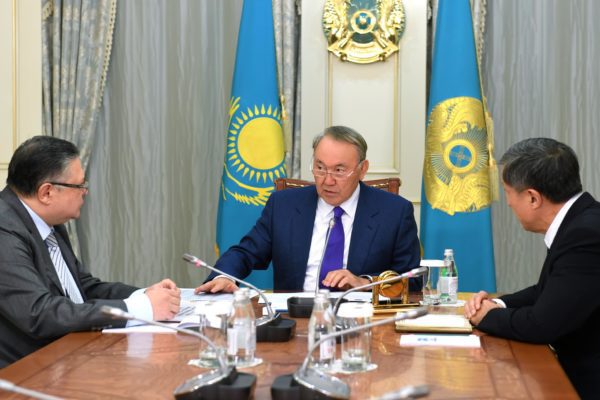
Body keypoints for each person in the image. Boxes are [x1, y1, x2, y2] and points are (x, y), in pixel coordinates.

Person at [0, 136, 181, 368]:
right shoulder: (5, 229)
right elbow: (39, 313)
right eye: (79, 185)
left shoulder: (48, 221)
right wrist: (139, 309)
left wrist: (144, 296)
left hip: (69, 357)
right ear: (46, 193)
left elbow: (82, 287)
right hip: (26, 372)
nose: (85, 192)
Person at [196, 125, 421, 293]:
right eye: (320, 168)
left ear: (362, 170)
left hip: (364, 323)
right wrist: (224, 277)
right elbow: (245, 253)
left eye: (339, 170)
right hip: (295, 319)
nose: (327, 180)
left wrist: (365, 283)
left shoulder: (394, 212)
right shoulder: (283, 205)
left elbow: (412, 279)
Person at [464, 138, 600, 398]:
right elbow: (550, 290)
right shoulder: (581, 220)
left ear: (533, 198)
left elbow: (542, 325)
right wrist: (497, 303)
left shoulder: (585, 235)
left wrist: (488, 317)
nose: (508, 203)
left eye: (507, 192)